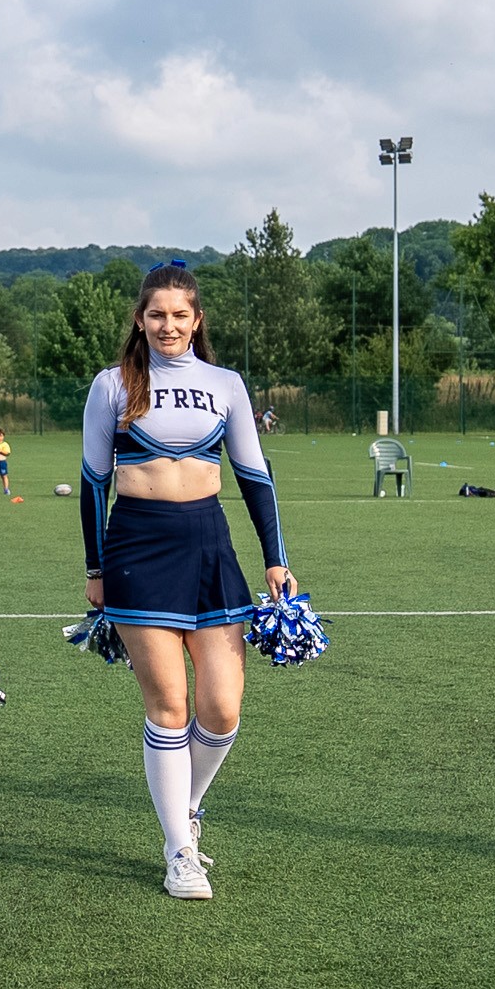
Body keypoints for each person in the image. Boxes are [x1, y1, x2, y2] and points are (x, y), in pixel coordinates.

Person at [79, 261, 295, 900]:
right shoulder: (113, 385)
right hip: (137, 547)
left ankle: (187, 806)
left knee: (222, 709)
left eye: (179, 315)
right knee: (170, 705)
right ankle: (180, 850)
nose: (168, 326)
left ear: (197, 320)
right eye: (156, 315)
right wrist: (95, 568)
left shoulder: (226, 384)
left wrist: (275, 558)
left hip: (209, 545)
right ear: (140, 319)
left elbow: (254, 476)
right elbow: (92, 483)